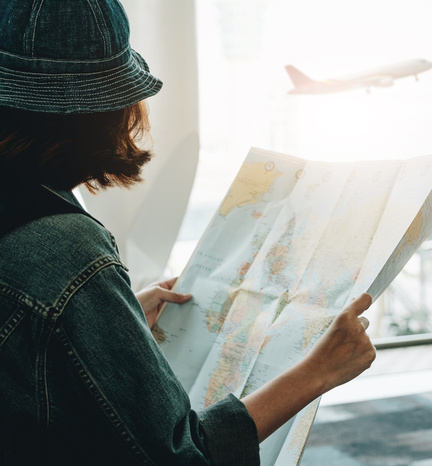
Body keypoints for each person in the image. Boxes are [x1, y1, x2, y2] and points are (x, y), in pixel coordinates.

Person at [0, 1, 376, 465]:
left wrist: (107, 321)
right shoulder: (67, 250)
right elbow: (180, 454)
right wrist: (318, 372)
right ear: (108, 113)